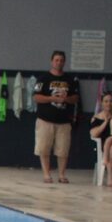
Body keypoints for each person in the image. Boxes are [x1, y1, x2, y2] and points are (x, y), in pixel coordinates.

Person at [32, 50, 79, 183]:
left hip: (64, 121)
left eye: (61, 60)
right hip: (45, 120)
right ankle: (47, 174)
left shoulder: (70, 80)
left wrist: (66, 99)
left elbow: (76, 97)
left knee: (63, 150)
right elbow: (36, 97)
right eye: (56, 60)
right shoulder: (43, 79)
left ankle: (62, 174)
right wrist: (52, 98)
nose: (59, 63)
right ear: (52, 61)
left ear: (64, 62)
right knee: (44, 148)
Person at [89, 91, 112, 182]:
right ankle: (110, 178)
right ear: (102, 103)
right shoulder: (96, 118)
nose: (109, 103)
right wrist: (105, 122)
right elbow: (93, 134)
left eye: (110, 101)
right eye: (106, 101)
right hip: (103, 146)